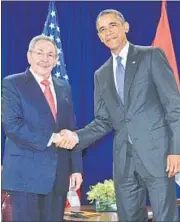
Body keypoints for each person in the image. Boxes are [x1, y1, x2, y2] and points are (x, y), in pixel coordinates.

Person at [55, 9, 180, 221]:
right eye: (102, 29)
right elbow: (103, 121)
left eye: (112, 25)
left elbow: (174, 107)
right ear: (99, 37)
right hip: (124, 164)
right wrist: (76, 137)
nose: (108, 32)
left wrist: (176, 150)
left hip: (158, 157)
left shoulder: (150, 55)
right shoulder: (101, 74)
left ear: (126, 27)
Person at [1, 35, 83, 222]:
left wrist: (76, 168)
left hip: (59, 177)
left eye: (50, 55)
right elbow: (12, 125)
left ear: (56, 60)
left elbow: (71, 129)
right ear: (29, 56)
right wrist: (52, 138)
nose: (44, 59)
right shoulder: (12, 83)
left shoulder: (64, 88)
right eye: (39, 53)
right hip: (25, 177)